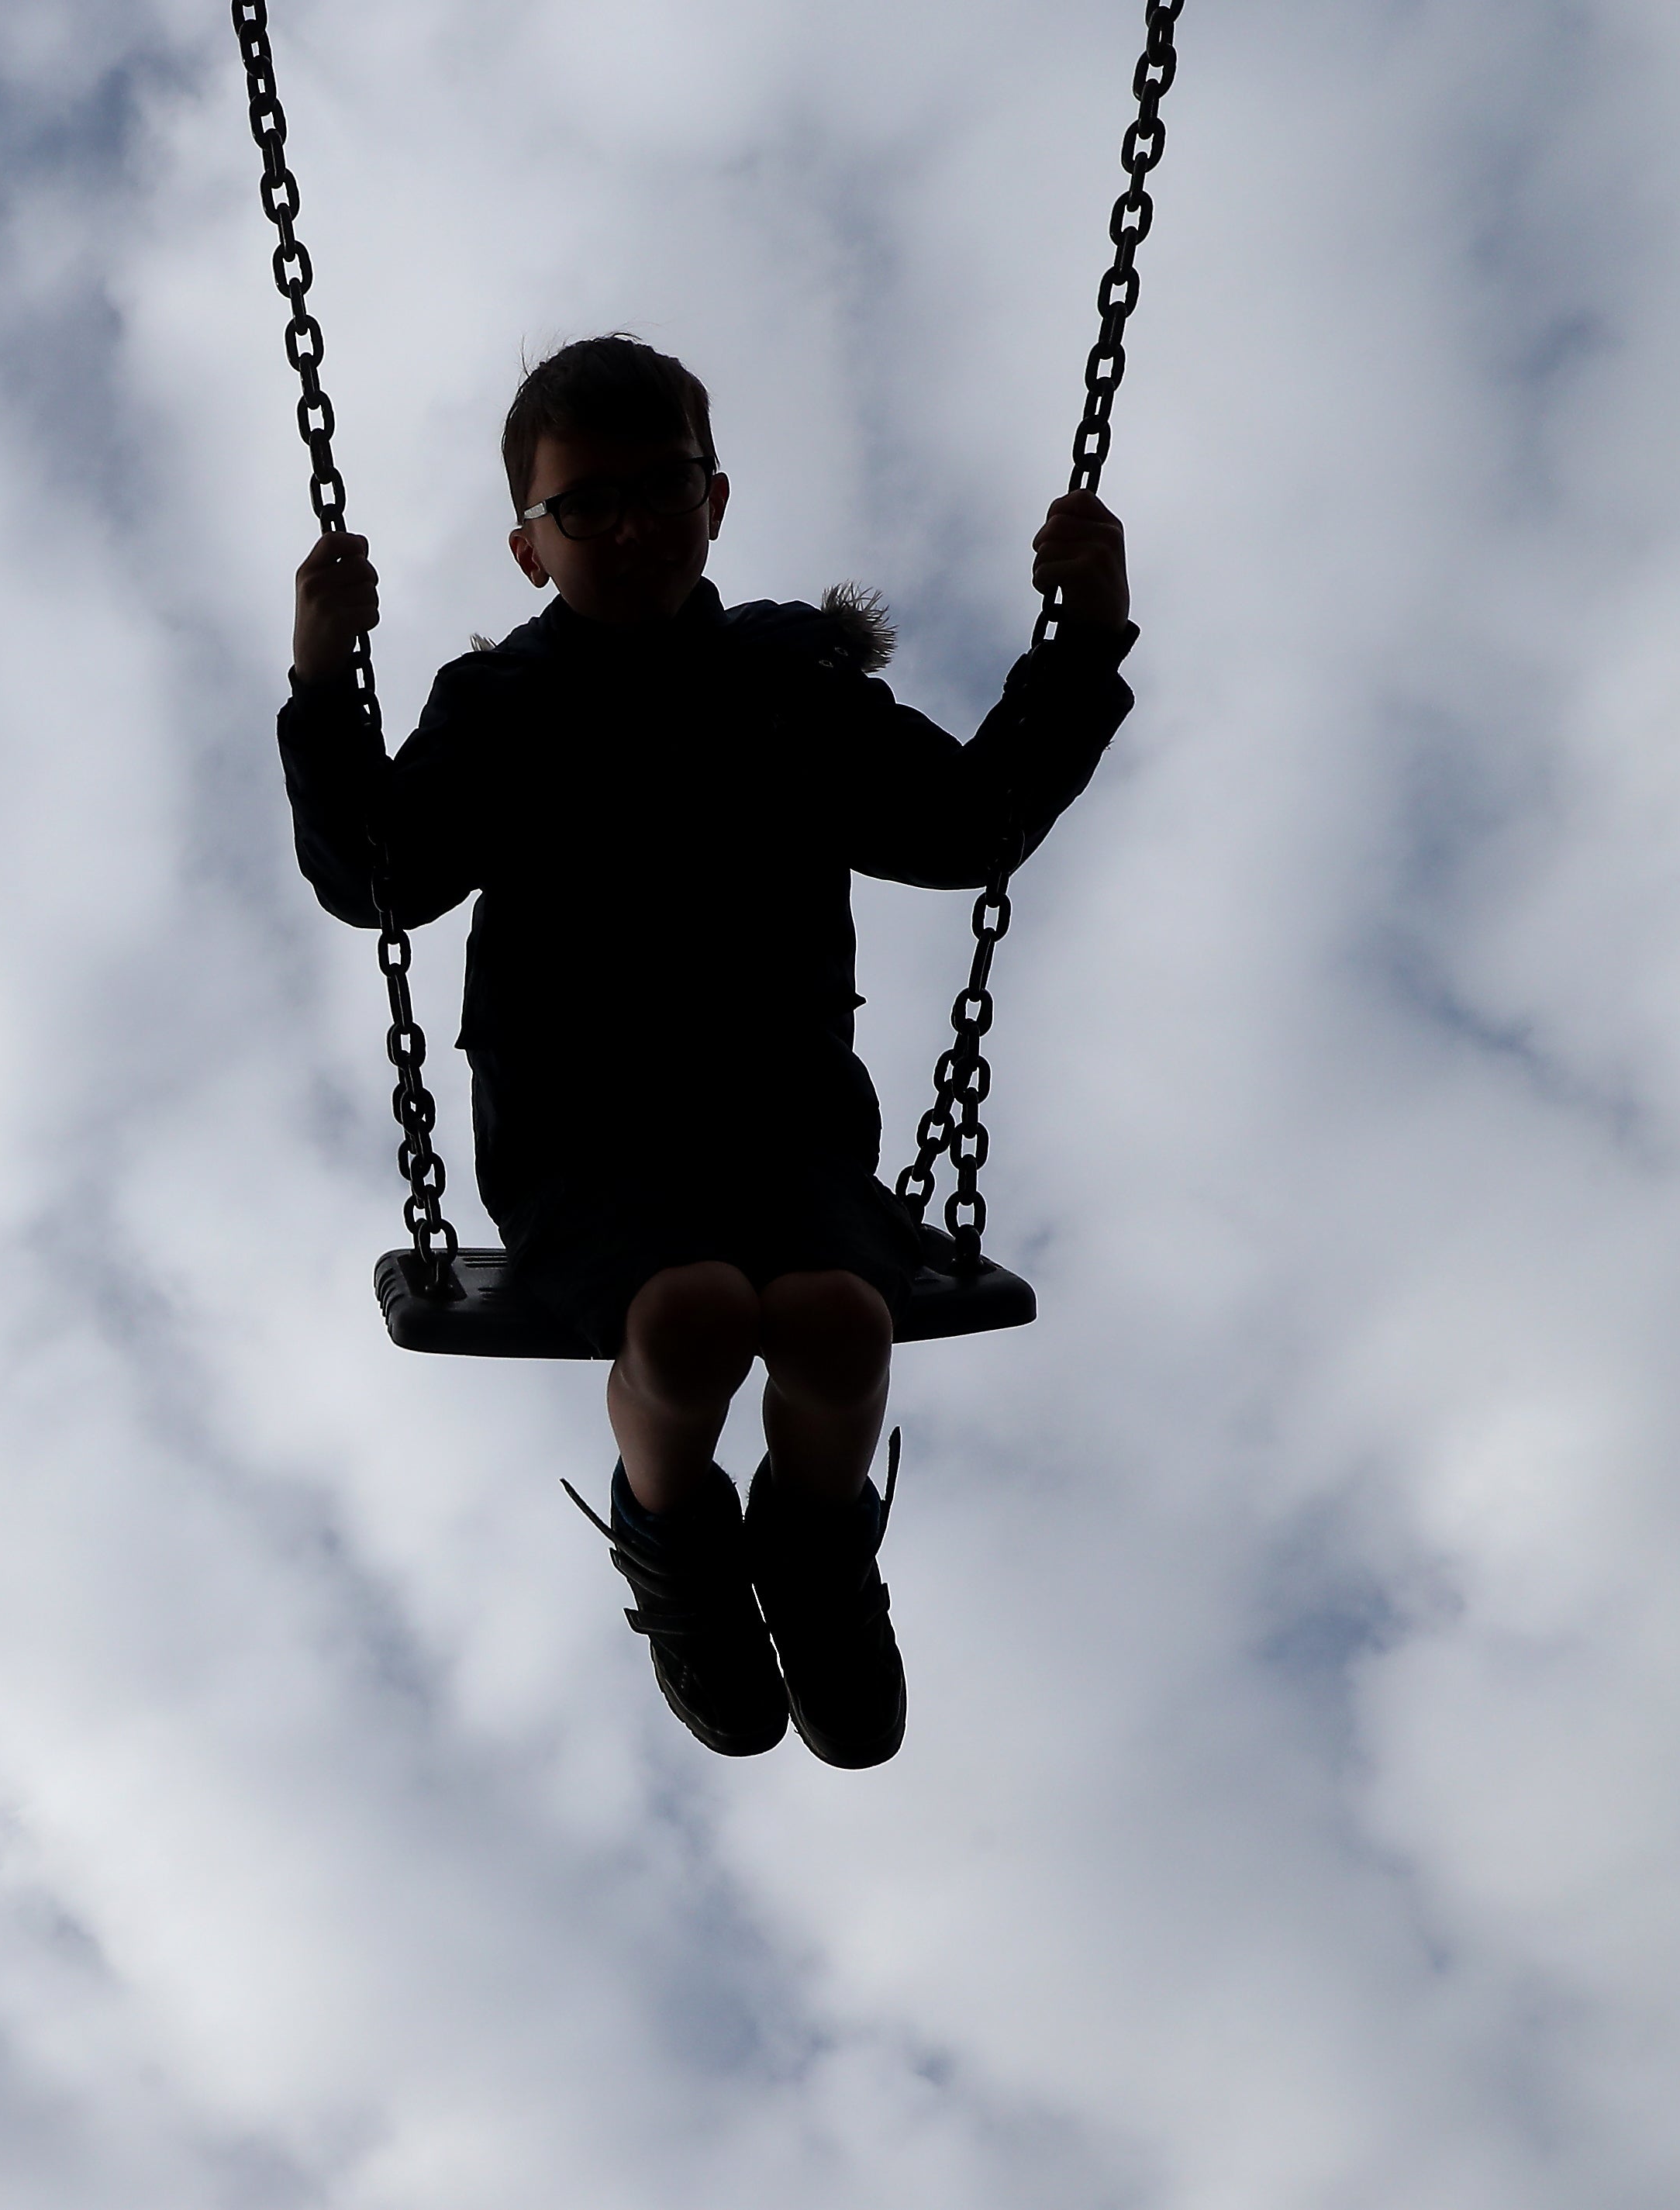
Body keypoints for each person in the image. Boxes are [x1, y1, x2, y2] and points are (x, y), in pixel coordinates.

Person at [277, 333, 1133, 1767]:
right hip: (579, 1128)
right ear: (525, 546)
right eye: (582, 505)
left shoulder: (785, 689)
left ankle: (811, 1555)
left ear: (716, 500)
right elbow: (380, 875)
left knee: (839, 1322)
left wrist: (1086, 636)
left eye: (658, 490)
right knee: (683, 1319)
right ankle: (675, 1549)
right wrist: (321, 676)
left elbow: (966, 821)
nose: (624, 526)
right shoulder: (499, 710)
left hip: (779, 1114)